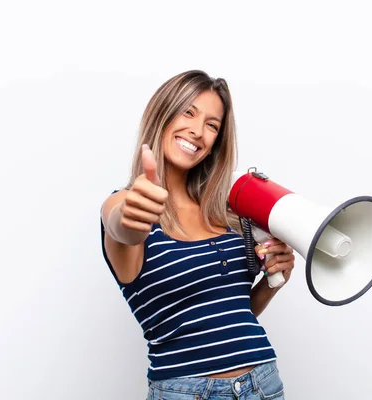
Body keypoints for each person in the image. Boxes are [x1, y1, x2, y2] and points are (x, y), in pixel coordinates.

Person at [100, 70, 295, 399]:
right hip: (187, 391)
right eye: (188, 112)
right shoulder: (127, 203)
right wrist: (130, 215)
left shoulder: (224, 213)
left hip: (262, 383)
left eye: (212, 125)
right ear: (162, 114)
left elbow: (230, 310)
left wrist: (275, 280)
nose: (198, 131)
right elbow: (120, 225)